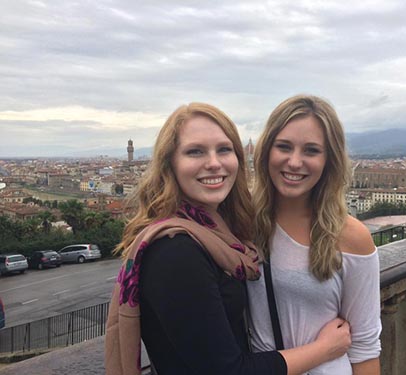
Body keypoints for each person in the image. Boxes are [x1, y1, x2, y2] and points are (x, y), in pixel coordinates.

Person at [105, 102, 352, 375]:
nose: (214, 163)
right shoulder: (176, 252)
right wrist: (326, 348)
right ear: (170, 164)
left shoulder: (221, 233)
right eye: (195, 151)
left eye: (224, 149)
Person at [247, 95, 382, 375]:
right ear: (265, 152)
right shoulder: (243, 223)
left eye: (311, 151)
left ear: (329, 160)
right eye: (283, 146)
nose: (294, 162)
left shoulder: (350, 237)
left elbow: (365, 348)